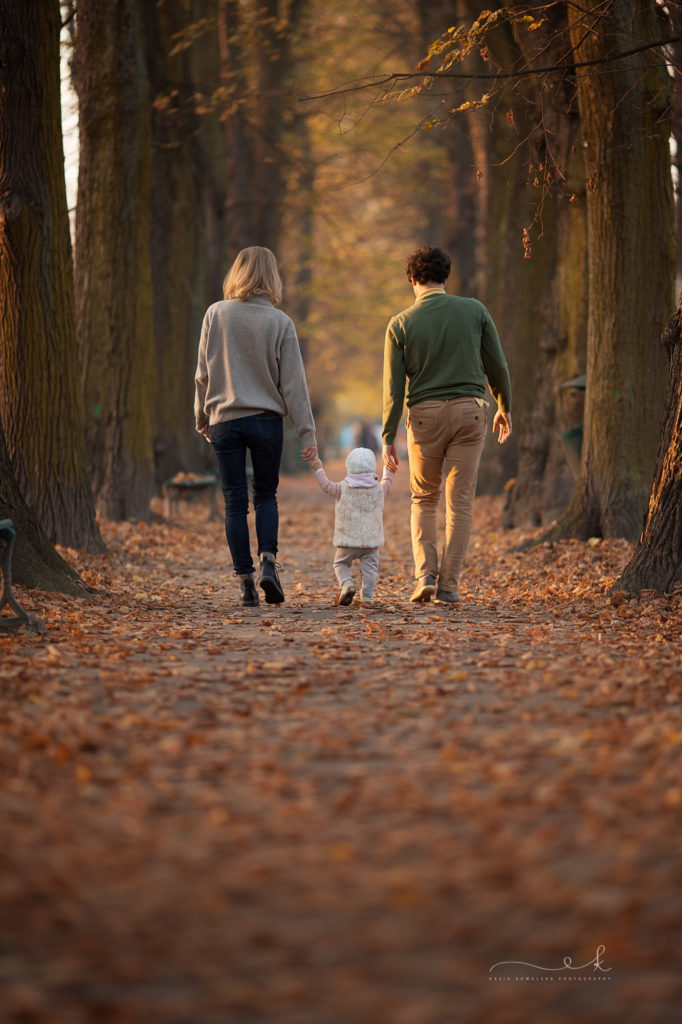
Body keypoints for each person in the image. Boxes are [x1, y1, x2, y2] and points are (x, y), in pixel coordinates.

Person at [382, 245, 512, 605]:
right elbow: (497, 366)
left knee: (423, 499)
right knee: (461, 504)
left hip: (424, 417)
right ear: (445, 277)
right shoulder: (474, 311)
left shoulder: (401, 323)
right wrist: (504, 405)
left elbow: (394, 389)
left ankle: (425, 574)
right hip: (470, 412)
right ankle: (449, 585)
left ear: (412, 280)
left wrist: (388, 436)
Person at [194, 246, 317, 607]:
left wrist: (201, 417)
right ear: (272, 277)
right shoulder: (280, 322)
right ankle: (268, 561)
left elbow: (203, 374)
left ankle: (246, 582)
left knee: (234, 501)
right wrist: (307, 433)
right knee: (265, 495)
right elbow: (294, 385)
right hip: (266, 422)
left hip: (225, 421)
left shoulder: (215, 314)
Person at [310, 447, 394, 606]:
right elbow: (387, 482)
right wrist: (388, 469)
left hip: (347, 540)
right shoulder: (378, 490)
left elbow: (326, 486)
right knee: (370, 570)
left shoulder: (342, 488)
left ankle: (347, 583)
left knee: (340, 564)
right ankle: (367, 597)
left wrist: (318, 468)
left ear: (349, 467)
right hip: (371, 542)